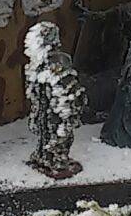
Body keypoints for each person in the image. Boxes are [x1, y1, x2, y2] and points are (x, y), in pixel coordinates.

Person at [24, 22, 85, 179]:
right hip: (45, 107)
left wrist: (67, 112)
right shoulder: (38, 64)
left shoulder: (59, 62)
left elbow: (69, 89)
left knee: (58, 138)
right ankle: (42, 157)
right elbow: (34, 88)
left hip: (58, 109)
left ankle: (57, 161)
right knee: (44, 134)